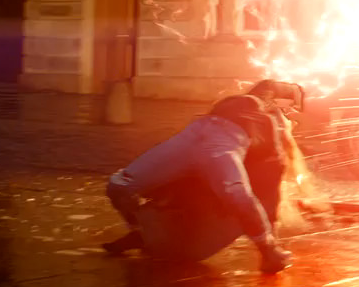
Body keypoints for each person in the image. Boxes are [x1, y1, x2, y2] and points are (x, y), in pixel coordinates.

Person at [102, 94, 293, 273]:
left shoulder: (262, 120)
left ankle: (268, 250)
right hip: (200, 135)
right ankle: (139, 232)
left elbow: (270, 176)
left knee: (237, 195)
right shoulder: (261, 118)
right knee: (119, 186)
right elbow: (271, 177)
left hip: (213, 141)